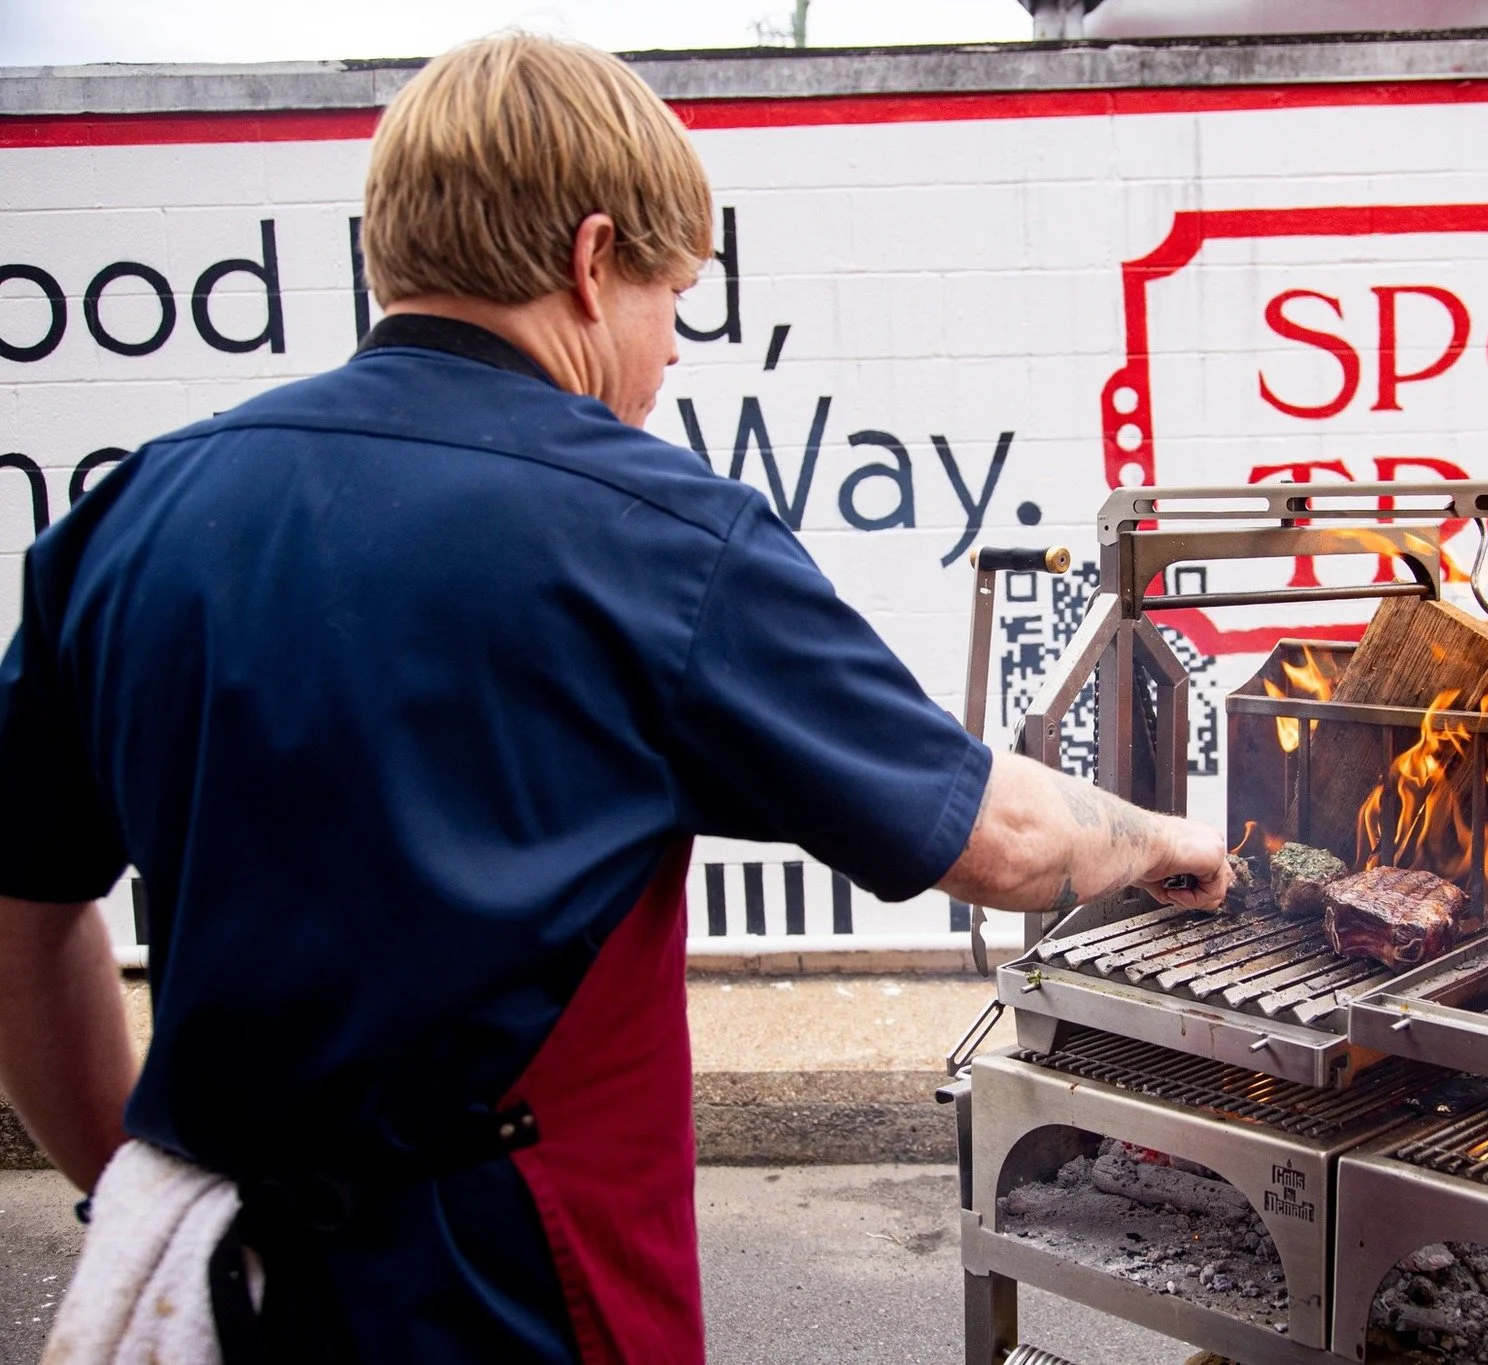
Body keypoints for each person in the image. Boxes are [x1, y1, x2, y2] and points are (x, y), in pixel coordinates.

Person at [0, 33, 1227, 1364]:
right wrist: (1164, 838)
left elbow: (23, 917)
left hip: (215, 1294)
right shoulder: (651, 539)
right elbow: (1002, 840)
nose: (675, 353)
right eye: (673, 299)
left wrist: (137, 1189)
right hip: (512, 1296)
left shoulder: (132, 517)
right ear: (592, 264)